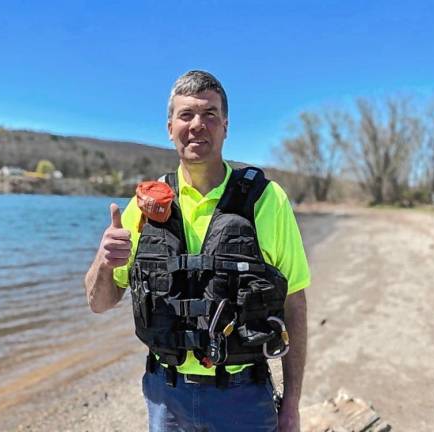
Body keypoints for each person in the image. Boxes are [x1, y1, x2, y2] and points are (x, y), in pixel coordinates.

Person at [85, 70, 310, 432]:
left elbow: (294, 305)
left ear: (225, 126)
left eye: (209, 115)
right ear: (170, 126)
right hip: (165, 396)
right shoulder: (142, 206)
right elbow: (99, 302)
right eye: (186, 115)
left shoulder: (267, 200)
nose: (197, 125)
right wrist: (103, 261)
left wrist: (292, 406)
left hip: (244, 397)